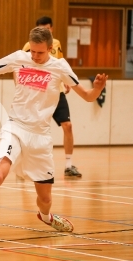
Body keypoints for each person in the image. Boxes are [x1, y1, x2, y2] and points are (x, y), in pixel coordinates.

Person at [0, 27, 107, 232]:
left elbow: (87, 96)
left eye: (40, 52)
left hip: (40, 137)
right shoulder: (19, 58)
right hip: (15, 128)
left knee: (45, 198)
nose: (35, 56)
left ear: (50, 48)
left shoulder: (60, 67)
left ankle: (46, 216)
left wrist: (97, 88)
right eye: (32, 51)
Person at [22, 16, 82, 177]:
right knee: (31, 128)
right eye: (42, 29)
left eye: (47, 28)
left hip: (57, 90)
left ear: (52, 29)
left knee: (68, 125)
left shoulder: (56, 44)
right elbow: (24, 68)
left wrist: (66, 80)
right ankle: (24, 163)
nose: (45, 31)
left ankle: (69, 165)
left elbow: (60, 63)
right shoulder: (29, 46)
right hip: (38, 91)